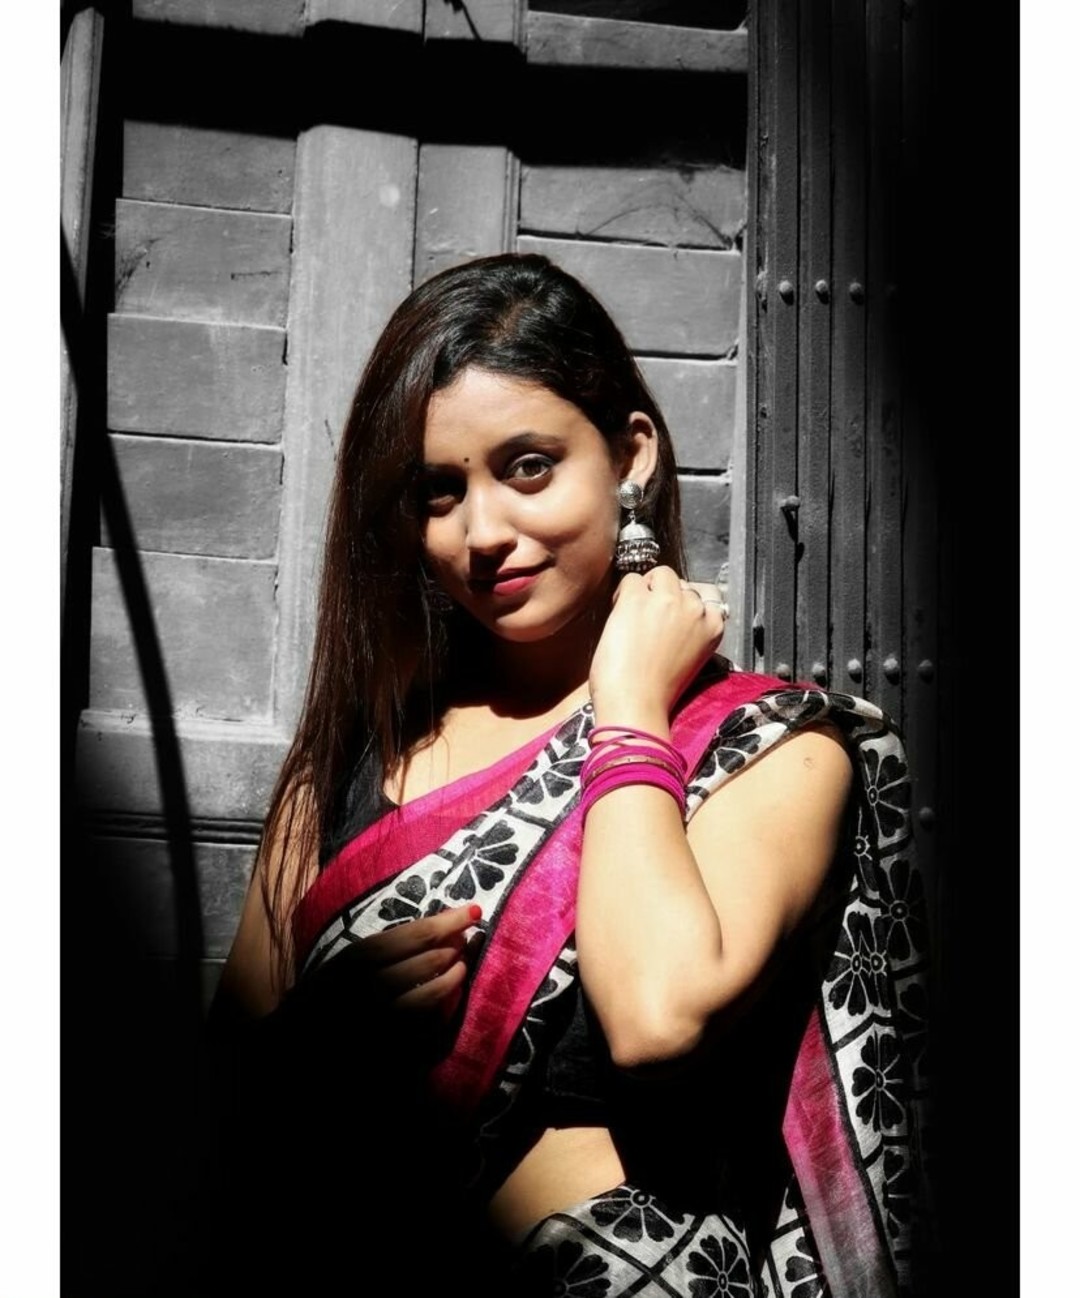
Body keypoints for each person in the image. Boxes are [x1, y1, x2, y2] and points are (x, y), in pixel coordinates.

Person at [202, 252, 930, 1297]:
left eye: (529, 467)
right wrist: (314, 1041)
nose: (484, 532)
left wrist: (627, 708)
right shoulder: (355, 759)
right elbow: (215, 1107)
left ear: (632, 455)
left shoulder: (770, 748)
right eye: (440, 491)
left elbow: (656, 1015)